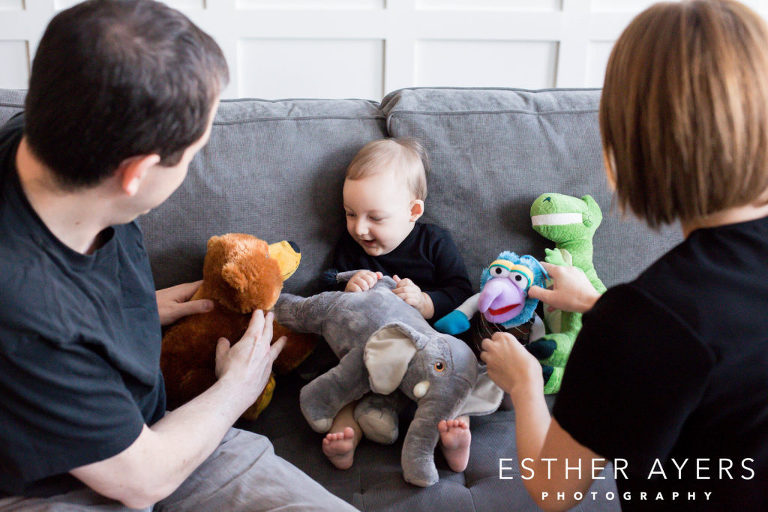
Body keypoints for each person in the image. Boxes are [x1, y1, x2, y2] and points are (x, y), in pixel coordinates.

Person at [0, 1, 356, 511]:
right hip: (63, 487)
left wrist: (130, 306)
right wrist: (238, 387)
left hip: (174, 435)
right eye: (192, 155)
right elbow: (142, 477)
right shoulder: (22, 310)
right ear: (136, 174)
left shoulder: (38, 141)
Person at [480, 1, 768, 511]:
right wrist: (602, 307)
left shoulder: (646, 321)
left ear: (633, 144)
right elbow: (722, 338)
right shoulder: (648, 320)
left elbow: (554, 488)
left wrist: (524, 381)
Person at [322, 137, 475, 473]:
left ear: (413, 211)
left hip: (427, 360)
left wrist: (425, 302)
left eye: (374, 217)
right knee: (348, 395)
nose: (359, 228)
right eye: (350, 214)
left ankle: (454, 441)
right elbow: (325, 290)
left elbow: (463, 291)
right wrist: (348, 288)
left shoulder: (434, 243)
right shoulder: (351, 249)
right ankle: (346, 438)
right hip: (373, 362)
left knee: (453, 394)